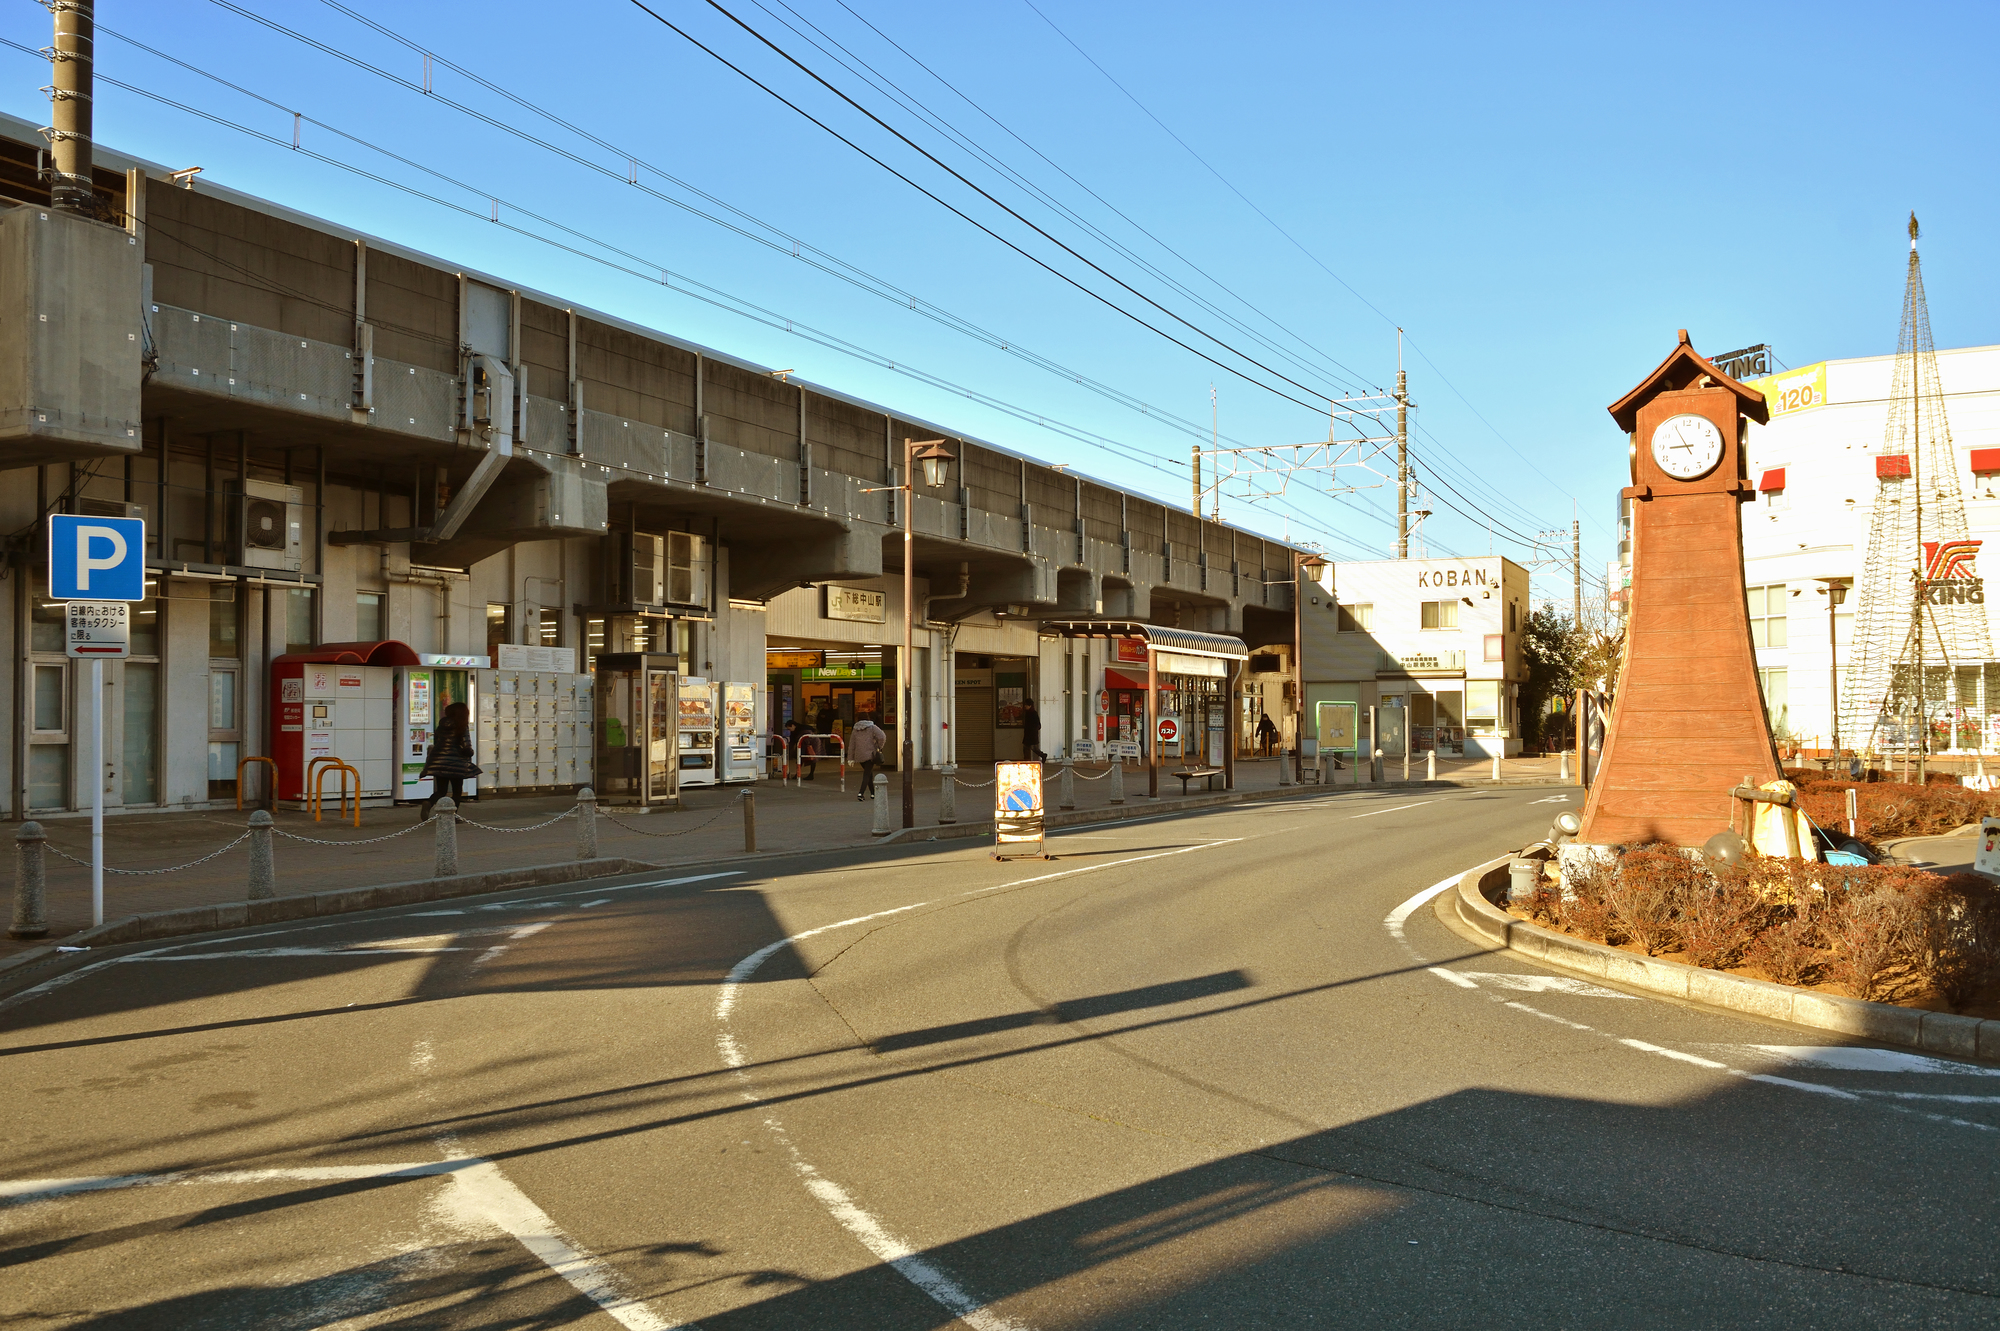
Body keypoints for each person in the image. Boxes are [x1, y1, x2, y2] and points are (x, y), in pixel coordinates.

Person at [418, 701, 479, 821]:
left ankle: (429, 803)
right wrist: (469, 753)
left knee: (441, 790)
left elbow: (437, 743)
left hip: (439, 761)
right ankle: (453, 816)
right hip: (456, 763)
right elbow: (467, 746)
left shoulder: (441, 726)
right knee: (457, 791)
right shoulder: (462, 725)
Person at [848, 716, 887, 799]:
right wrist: (879, 746)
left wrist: (850, 758)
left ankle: (873, 793)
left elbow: (852, 744)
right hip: (870, 754)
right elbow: (882, 736)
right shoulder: (872, 727)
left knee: (869, 774)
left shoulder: (855, 729)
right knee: (867, 774)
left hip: (859, 755)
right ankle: (860, 793)